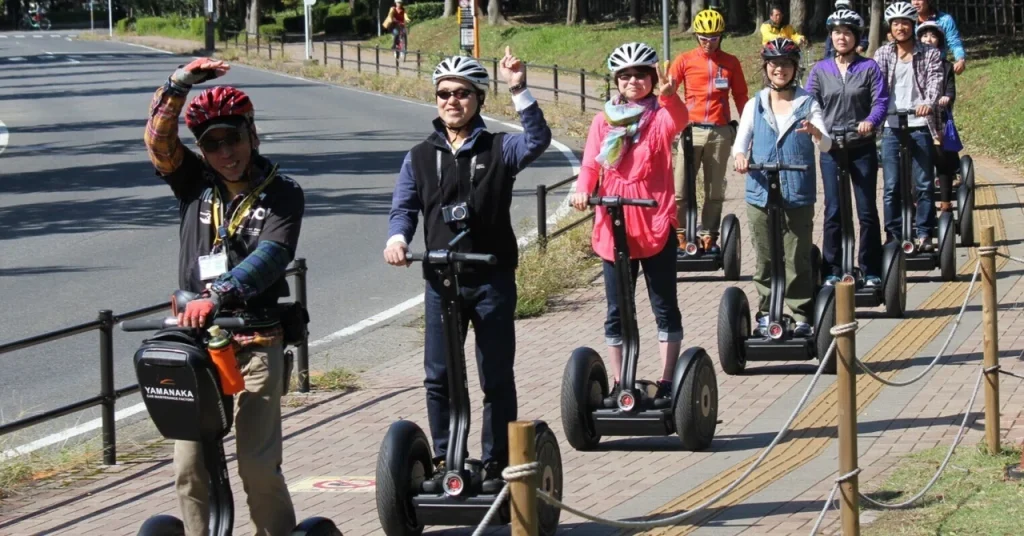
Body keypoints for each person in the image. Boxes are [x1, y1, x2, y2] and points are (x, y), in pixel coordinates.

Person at [143, 58, 304, 535]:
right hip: (196, 345)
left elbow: (271, 256)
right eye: (212, 144)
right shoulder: (194, 182)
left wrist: (217, 294)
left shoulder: (283, 193)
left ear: (252, 135)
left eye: (232, 138)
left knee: (257, 467)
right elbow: (159, 143)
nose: (225, 152)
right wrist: (177, 85)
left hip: (255, 342)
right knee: (189, 469)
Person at [384, 49, 551, 491]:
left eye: (461, 93)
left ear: (478, 98)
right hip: (442, 282)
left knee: (495, 376)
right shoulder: (419, 156)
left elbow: (537, 140)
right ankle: (446, 459)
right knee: (439, 376)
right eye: (444, 93)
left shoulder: (500, 147)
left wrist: (519, 87)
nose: (451, 101)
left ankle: (496, 463)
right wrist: (397, 240)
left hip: (491, 279)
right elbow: (403, 208)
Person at [569, 42, 687, 402]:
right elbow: (591, 164)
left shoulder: (660, 117)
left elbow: (680, 121)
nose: (633, 81)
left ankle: (667, 381)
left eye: (640, 75)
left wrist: (670, 97)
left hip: (654, 221)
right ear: (616, 80)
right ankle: (621, 382)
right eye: (625, 75)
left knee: (663, 305)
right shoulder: (603, 120)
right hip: (614, 223)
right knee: (617, 309)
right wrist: (582, 189)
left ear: (651, 78)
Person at [732, 38, 832, 337]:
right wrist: (740, 156)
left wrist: (815, 132)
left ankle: (801, 313)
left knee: (797, 256)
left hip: (797, 191)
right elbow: (741, 140)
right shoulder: (755, 104)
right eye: (774, 64)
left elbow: (826, 144)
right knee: (765, 257)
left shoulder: (808, 103)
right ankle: (766, 313)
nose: (780, 69)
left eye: (786, 64)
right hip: (760, 191)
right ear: (766, 67)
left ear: (795, 68)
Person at [806, 9, 889, 286]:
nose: (841, 37)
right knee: (833, 210)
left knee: (866, 211)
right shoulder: (820, 70)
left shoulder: (869, 68)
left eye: (847, 33)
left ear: (856, 37)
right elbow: (810, 103)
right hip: (831, 149)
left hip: (861, 147)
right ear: (831, 36)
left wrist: (870, 121)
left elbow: (880, 101)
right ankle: (832, 268)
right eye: (837, 32)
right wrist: (817, 128)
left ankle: (871, 268)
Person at [668, 8, 748, 254]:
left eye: (714, 38)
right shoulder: (684, 60)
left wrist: (748, 129)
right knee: (681, 189)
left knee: (714, 190)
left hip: (720, 132)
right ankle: (680, 233)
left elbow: (741, 96)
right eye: (704, 38)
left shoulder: (731, 62)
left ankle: (709, 234)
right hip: (690, 131)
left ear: (721, 36)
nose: (708, 43)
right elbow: (667, 95)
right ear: (696, 36)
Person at [874, 2, 943, 251]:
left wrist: (927, 103)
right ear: (890, 27)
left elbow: (935, 81)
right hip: (891, 126)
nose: (900, 27)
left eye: (905, 23)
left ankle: (924, 233)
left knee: (924, 184)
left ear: (913, 25)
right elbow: (875, 85)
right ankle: (893, 235)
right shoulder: (883, 53)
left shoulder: (929, 53)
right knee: (891, 186)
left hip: (919, 124)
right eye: (896, 23)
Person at [916, 20, 959, 213]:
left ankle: (945, 200)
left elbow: (950, 90)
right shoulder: (915, 63)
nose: (928, 39)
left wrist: (946, 97)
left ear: (939, 41)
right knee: (916, 160)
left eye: (933, 36)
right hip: (918, 117)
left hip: (939, 117)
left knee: (942, 158)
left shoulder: (946, 66)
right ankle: (917, 201)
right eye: (924, 36)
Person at [913, 0, 966, 74]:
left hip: (939, 69)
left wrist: (960, 60)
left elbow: (955, 43)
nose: (915, 3)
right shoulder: (908, 22)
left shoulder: (945, 20)